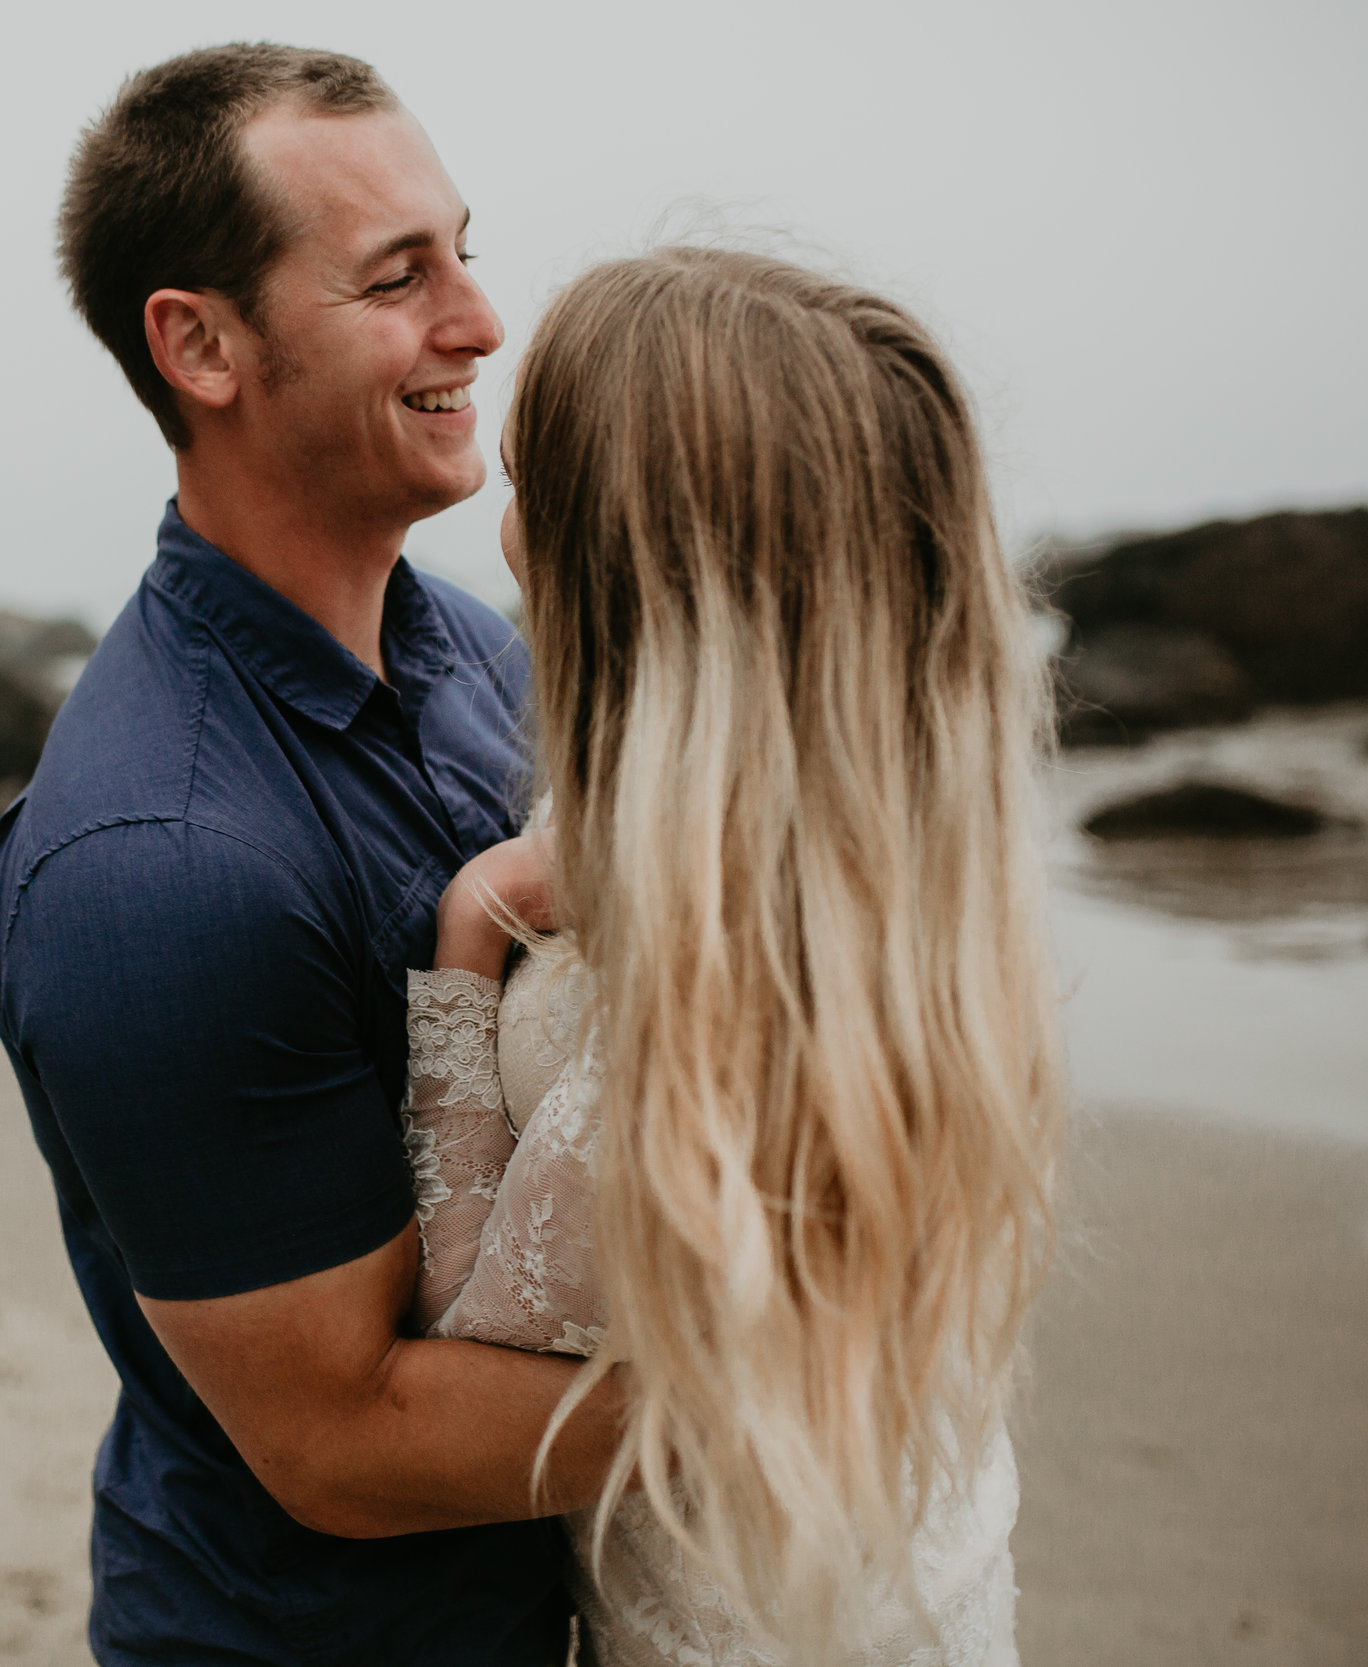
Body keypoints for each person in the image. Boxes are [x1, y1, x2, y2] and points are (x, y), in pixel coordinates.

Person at [0, 44, 622, 1665]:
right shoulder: (160, 868)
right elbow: (345, 1444)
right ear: (202, 344)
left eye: (464, 254)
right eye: (399, 279)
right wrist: (846, 1376)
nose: (478, 322)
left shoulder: (481, 660)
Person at [401, 248, 1065, 1664]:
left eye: (534, 486)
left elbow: (470, 1352)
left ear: (637, 554)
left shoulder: (699, 984)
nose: (504, 535)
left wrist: (468, 933)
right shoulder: (900, 855)